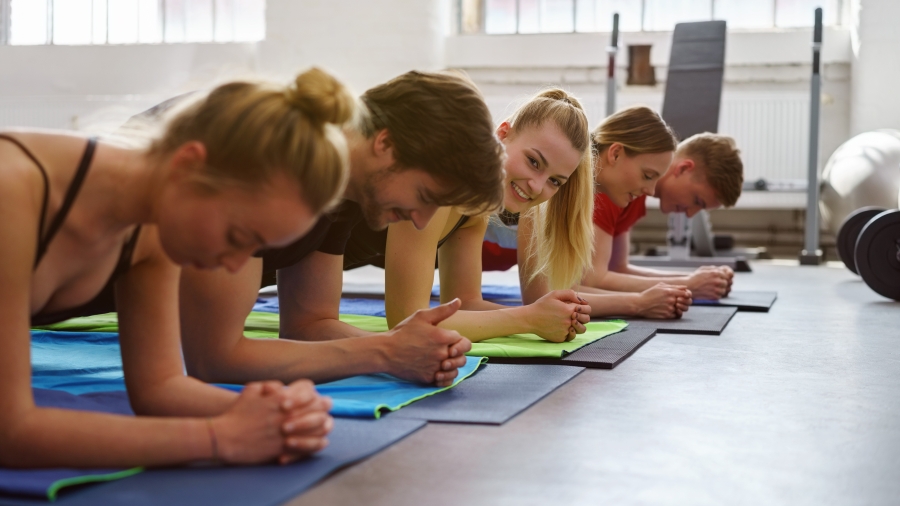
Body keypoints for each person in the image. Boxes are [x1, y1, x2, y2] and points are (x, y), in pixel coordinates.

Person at [0, 68, 351, 468]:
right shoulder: (12, 190)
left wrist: (278, 414)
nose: (237, 264)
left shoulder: (153, 222)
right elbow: (11, 431)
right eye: (237, 236)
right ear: (188, 166)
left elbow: (160, 387)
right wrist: (219, 437)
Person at [178, 70, 506, 389]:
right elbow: (214, 359)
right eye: (425, 197)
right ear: (385, 143)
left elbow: (309, 326)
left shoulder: (344, 188)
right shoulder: (269, 160)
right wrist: (385, 351)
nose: (421, 222)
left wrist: (405, 347)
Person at [341, 88, 595, 343]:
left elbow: (465, 303)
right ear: (503, 134)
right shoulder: (440, 178)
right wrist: (529, 319)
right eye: (534, 161)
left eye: (554, 181)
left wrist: (546, 315)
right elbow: (407, 319)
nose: (537, 187)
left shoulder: (477, 204)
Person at [481, 105, 694, 319]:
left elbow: (564, 287)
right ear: (615, 153)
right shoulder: (542, 193)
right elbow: (541, 297)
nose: (651, 191)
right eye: (647, 176)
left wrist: (644, 299)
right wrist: (638, 303)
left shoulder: (569, 196)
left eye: (555, 180)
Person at [579, 131, 744, 303]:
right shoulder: (617, 187)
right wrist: (688, 284)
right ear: (683, 169)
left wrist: (701, 281)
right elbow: (592, 279)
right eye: (697, 201)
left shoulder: (635, 195)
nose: (690, 213)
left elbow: (618, 268)